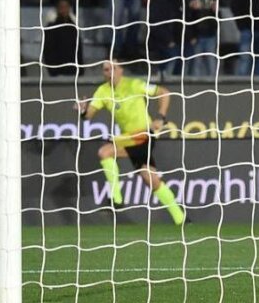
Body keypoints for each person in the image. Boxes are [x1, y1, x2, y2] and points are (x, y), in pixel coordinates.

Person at [77, 61, 185, 225]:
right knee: (150, 179)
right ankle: (181, 218)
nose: (109, 72)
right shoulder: (102, 91)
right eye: (106, 69)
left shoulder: (134, 84)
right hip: (129, 138)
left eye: (113, 68)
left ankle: (116, 200)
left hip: (144, 134)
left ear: (121, 70)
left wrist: (161, 117)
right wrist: (83, 110)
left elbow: (164, 92)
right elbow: (88, 116)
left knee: (105, 151)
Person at [41, 0, 82, 76]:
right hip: (57, 71)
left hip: (73, 70)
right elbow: (48, 50)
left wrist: (80, 69)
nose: (64, 10)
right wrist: (52, 70)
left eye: (66, 7)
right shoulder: (51, 26)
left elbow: (78, 49)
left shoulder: (73, 26)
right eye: (62, 7)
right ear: (57, 9)